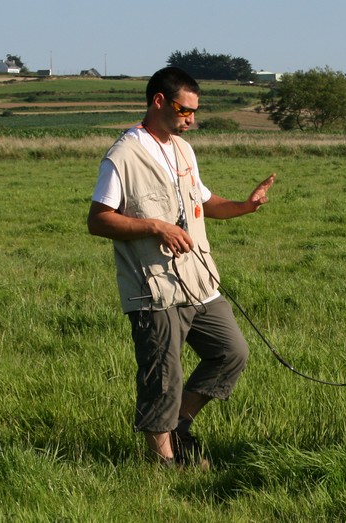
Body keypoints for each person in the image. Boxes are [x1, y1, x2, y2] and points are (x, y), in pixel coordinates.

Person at [87, 66, 276, 469]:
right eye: (184, 109)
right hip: (153, 289)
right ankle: (165, 467)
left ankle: (180, 424)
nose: (192, 119)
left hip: (198, 282)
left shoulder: (182, 149)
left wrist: (246, 205)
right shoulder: (123, 155)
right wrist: (155, 226)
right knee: (162, 378)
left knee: (231, 352)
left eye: (195, 111)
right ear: (159, 101)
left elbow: (203, 201)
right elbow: (98, 220)